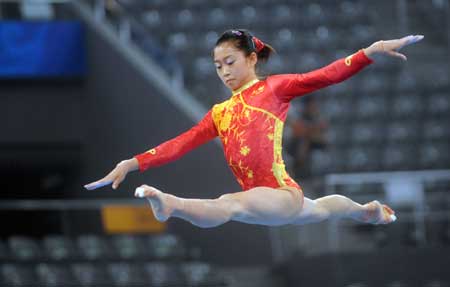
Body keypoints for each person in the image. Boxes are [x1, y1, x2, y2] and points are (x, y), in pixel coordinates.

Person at [85, 30, 423, 228]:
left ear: (251, 59)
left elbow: (326, 75)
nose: (224, 72)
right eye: (218, 66)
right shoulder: (220, 112)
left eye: (230, 62)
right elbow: (182, 143)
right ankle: (368, 210)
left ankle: (172, 204)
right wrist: (132, 162)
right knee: (321, 208)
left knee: (229, 203)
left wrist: (371, 51)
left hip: (280, 195)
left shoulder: (275, 88)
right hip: (262, 206)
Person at [287, 96, 328, 178]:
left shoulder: (319, 117)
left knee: (317, 158)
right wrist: (311, 130)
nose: (312, 107)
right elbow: (297, 131)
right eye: (310, 105)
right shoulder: (301, 117)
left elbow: (322, 138)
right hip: (296, 148)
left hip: (316, 148)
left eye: (313, 105)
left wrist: (308, 132)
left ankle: (314, 177)